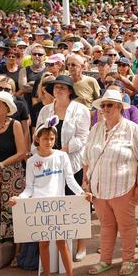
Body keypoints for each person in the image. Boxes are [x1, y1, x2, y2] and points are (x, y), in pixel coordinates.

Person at [10, 118, 93, 276]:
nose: (48, 142)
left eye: (52, 138)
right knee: (43, 244)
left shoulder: (62, 156)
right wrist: (19, 199)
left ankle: (70, 275)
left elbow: (70, 180)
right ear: (37, 139)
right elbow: (29, 188)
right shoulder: (32, 161)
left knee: (62, 244)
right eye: (45, 138)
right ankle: (46, 274)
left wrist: (82, 194)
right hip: (40, 208)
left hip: (58, 207)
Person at [82, 90, 138, 276]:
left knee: (126, 225)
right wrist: (85, 183)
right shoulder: (96, 128)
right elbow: (87, 158)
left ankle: (129, 260)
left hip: (124, 186)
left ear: (120, 107)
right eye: (103, 105)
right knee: (106, 226)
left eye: (110, 105)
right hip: (98, 188)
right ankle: (105, 260)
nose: (105, 108)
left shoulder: (133, 129)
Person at [37, 74, 91, 260]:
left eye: (62, 87)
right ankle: (59, 247)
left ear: (70, 91)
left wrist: (60, 151)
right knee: (56, 205)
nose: (58, 90)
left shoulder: (81, 110)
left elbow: (83, 138)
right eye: (56, 87)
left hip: (73, 164)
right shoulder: (45, 110)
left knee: (77, 205)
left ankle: (81, 246)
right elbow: (38, 134)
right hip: (49, 167)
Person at [0, 91, 26, 249]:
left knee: (12, 214)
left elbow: (22, 152)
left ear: (7, 108)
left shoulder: (15, 125)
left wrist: (0, 166)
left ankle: (15, 252)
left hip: (12, 176)